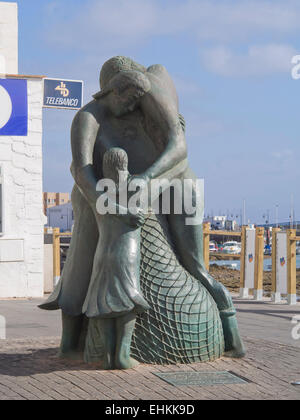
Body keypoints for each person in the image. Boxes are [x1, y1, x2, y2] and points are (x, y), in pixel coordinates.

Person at [40, 56, 245, 359]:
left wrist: (148, 178)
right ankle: (71, 342)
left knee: (196, 266)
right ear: (112, 90)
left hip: (173, 182)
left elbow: (179, 147)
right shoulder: (88, 117)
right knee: (81, 261)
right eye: (129, 99)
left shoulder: (150, 93)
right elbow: (81, 170)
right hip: (105, 193)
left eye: (139, 98)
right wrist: (105, 203)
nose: (134, 106)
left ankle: (231, 336)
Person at [83, 147, 149, 369]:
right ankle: (122, 354)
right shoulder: (135, 187)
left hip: (103, 252)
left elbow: (76, 168)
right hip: (126, 252)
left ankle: (108, 357)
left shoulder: (99, 192)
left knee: (104, 301)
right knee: (128, 300)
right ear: (125, 164)